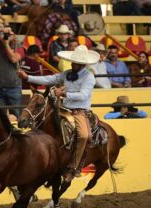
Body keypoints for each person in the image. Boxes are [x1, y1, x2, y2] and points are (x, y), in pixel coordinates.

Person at [19, 45, 99, 179]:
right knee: (41, 120)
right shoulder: (67, 73)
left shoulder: (89, 77)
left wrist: (65, 93)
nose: (74, 65)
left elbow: (84, 95)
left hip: (79, 111)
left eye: (77, 63)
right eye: (74, 62)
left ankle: (75, 165)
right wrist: (28, 78)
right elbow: (49, 79)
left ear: (83, 64)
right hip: (62, 108)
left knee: (85, 135)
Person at [0, 26, 23, 118]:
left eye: (9, 35)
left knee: (15, 115)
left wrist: (6, 44)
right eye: (5, 34)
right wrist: (1, 29)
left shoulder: (18, 46)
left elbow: (13, 59)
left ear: (14, 36)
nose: (6, 36)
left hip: (13, 88)